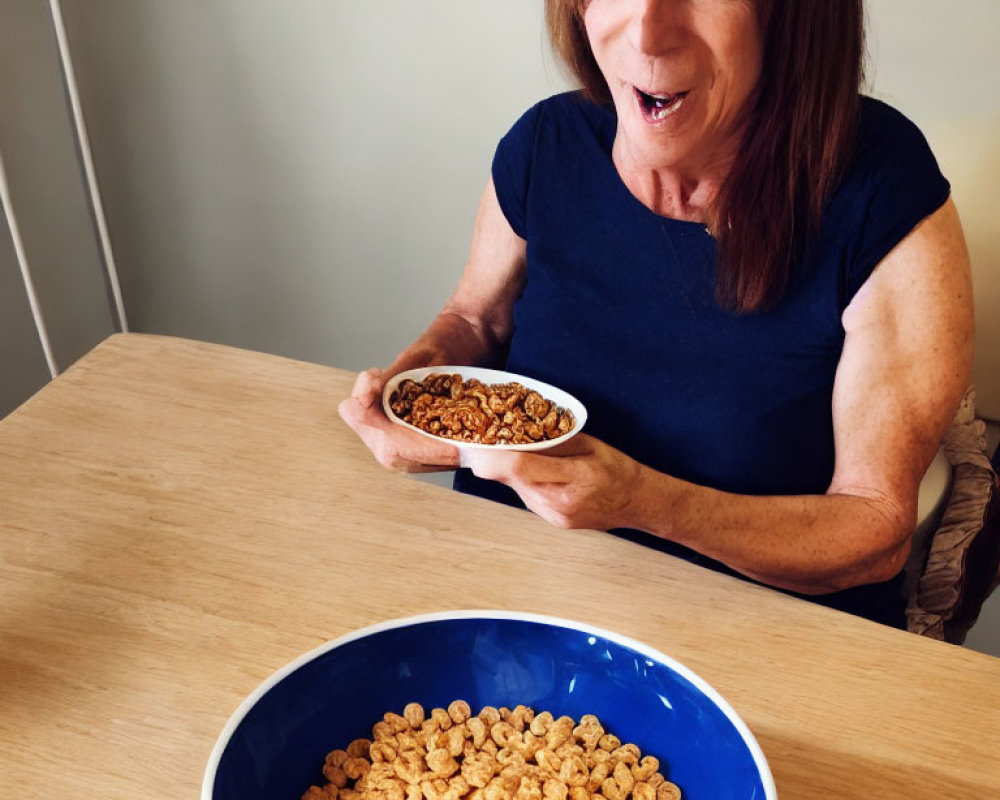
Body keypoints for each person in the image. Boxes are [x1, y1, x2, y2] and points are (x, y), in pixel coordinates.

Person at [339, 0, 974, 628]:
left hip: (760, 639)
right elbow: (477, 322)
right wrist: (410, 387)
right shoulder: (546, 144)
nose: (648, 32)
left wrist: (643, 502)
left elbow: (874, 529)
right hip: (510, 601)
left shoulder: (883, 191)